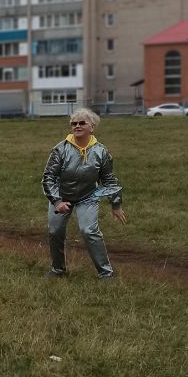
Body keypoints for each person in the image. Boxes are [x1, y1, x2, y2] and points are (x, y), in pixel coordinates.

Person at [41, 107, 126, 280]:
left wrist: (116, 205)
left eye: (82, 123)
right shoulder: (60, 149)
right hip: (61, 196)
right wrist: (57, 201)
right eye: (74, 123)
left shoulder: (101, 152)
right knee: (55, 230)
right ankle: (58, 270)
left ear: (92, 127)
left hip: (88, 197)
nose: (77, 126)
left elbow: (109, 181)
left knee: (88, 231)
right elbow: (48, 178)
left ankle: (106, 273)